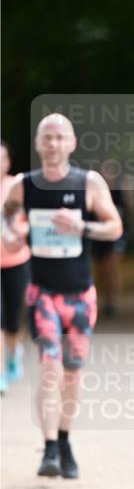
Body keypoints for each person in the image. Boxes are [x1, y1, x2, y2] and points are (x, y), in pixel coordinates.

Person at [1, 113, 123, 478]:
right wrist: (13, 234)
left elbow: (114, 227)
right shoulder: (25, 184)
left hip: (80, 297)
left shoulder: (88, 182)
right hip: (42, 294)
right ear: (38, 144)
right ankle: (49, 447)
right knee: (50, 368)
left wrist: (81, 226)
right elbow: (7, 216)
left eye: (60, 137)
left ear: (71, 143)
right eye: (46, 138)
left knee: (72, 374)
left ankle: (66, 441)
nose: (53, 144)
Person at [0, 140, 31, 394]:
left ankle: (12, 353)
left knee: (12, 319)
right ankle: (0, 375)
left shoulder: (17, 186)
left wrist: (19, 232)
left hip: (16, 261)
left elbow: (30, 220)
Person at [92, 159, 132, 318]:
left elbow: (128, 213)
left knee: (112, 266)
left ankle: (112, 301)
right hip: (99, 235)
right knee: (101, 269)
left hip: (117, 235)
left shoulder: (121, 190)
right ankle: (100, 299)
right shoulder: (94, 191)